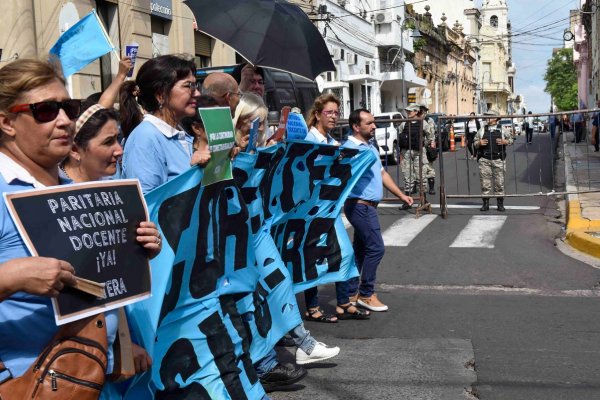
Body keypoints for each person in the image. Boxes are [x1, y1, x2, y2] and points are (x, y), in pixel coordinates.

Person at [0, 58, 161, 397]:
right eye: (45, 110)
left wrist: (135, 251)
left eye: (68, 108)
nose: (64, 121)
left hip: (94, 376)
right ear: (7, 122)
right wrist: (10, 277)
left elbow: (103, 281)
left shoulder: (77, 188)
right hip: (29, 384)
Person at [302, 93, 370, 322]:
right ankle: (311, 306)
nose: (334, 117)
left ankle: (343, 302)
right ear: (318, 114)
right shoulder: (309, 140)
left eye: (336, 112)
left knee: (345, 253)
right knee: (311, 257)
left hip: (330, 208)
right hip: (312, 210)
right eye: (329, 112)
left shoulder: (332, 142)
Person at [342, 108, 414, 312]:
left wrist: (401, 195)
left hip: (368, 206)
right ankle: (366, 293)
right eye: (369, 123)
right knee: (376, 248)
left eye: (374, 122)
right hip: (360, 206)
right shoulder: (350, 149)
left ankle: (351, 291)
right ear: (356, 127)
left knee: (361, 250)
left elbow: (382, 174)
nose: (374, 126)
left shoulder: (369, 147)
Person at [121, 55, 199, 193]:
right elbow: (147, 204)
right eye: (188, 86)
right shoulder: (145, 138)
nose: (197, 93)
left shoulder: (179, 132)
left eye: (196, 85)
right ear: (160, 94)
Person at [473, 109, 513, 212]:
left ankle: (500, 204)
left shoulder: (503, 129)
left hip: (498, 160)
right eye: (486, 116)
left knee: (499, 183)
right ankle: (485, 204)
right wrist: (479, 143)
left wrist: (505, 141)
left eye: (489, 116)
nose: (487, 118)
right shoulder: (482, 130)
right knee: (485, 183)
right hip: (484, 160)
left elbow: (512, 140)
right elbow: (475, 141)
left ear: (495, 118)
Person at [398, 103, 424, 202]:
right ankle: (407, 200)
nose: (408, 112)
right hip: (406, 152)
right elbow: (400, 135)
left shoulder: (422, 122)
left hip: (418, 152)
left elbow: (430, 136)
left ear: (416, 111)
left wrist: (423, 145)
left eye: (410, 111)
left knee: (420, 176)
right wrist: (400, 153)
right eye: (407, 111)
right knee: (407, 176)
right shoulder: (404, 123)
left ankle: (423, 199)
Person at [418, 103, 437, 195]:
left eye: (425, 111)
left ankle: (431, 187)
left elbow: (433, 133)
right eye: (422, 111)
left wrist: (430, 144)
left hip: (428, 146)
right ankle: (418, 187)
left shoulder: (430, 121)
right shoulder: (416, 120)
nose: (423, 113)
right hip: (418, 147)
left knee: (429, 167)